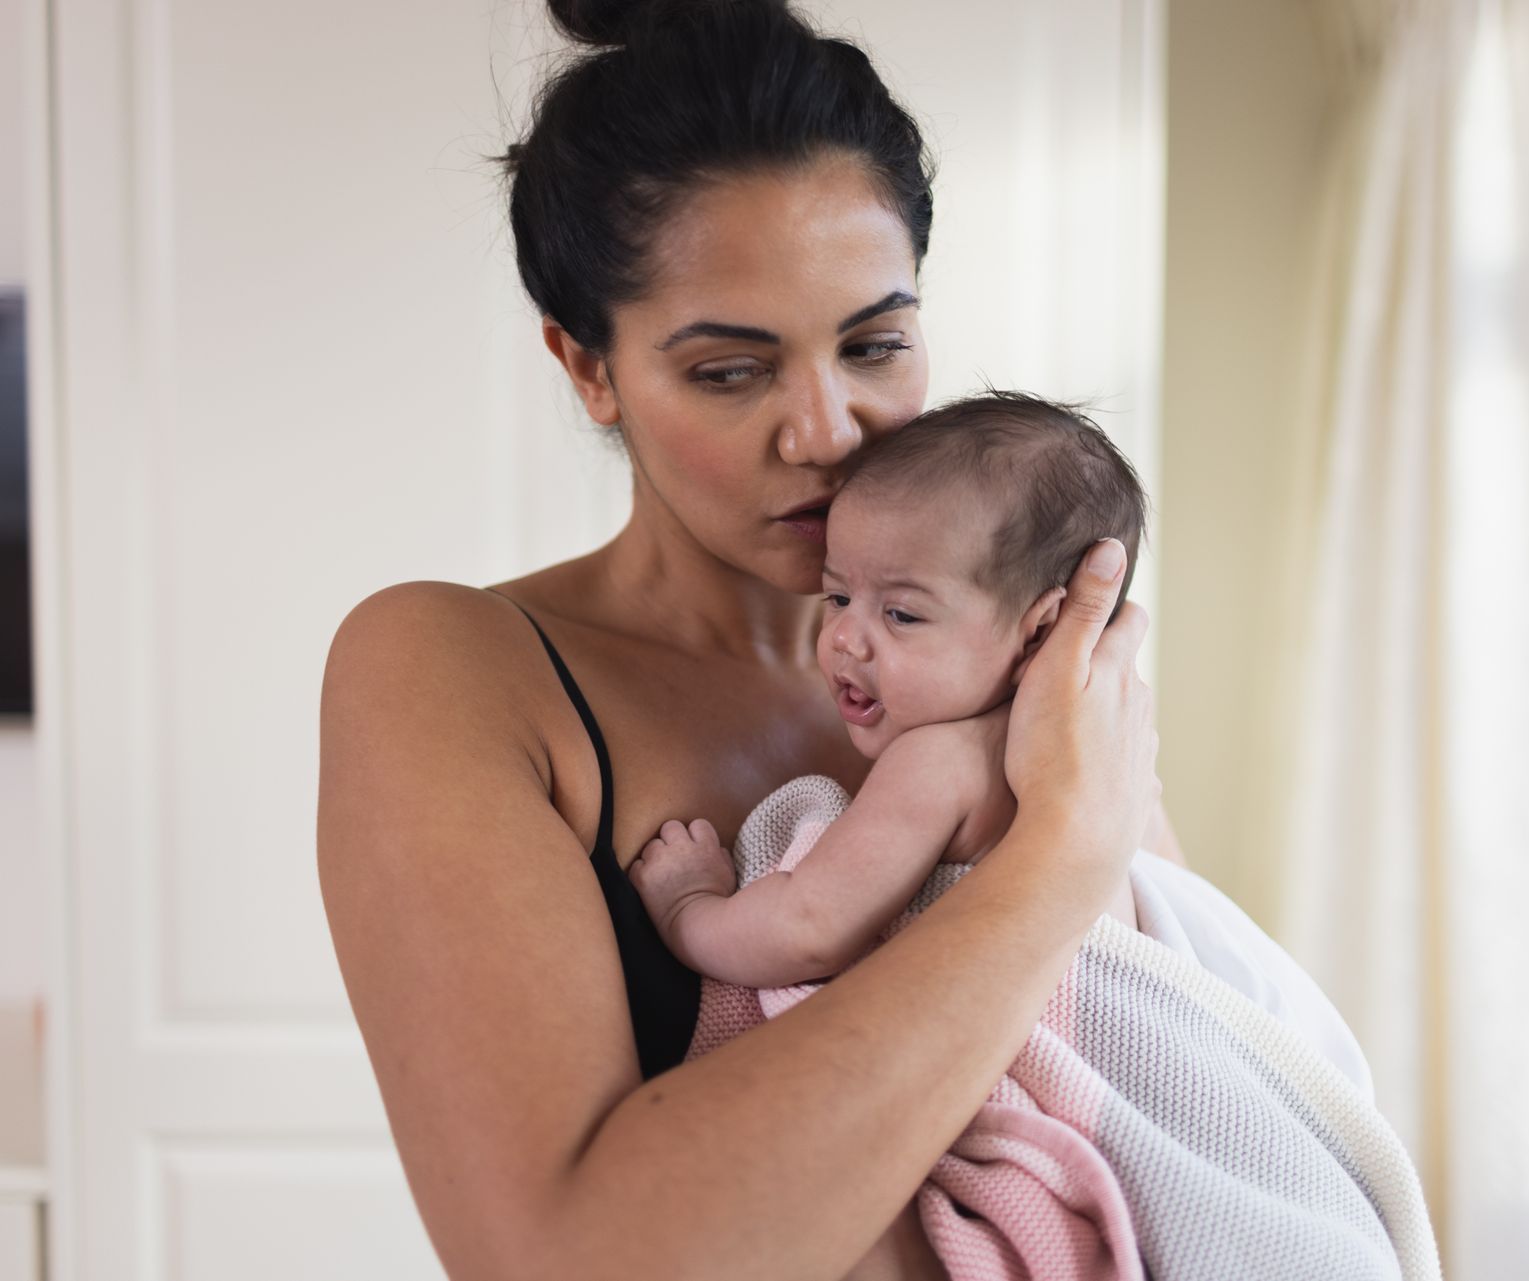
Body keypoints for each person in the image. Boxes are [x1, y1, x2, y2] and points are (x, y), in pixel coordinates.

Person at [317, 2, 1167, 1278]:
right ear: (588, 367)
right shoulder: (455, 670)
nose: (828, 431)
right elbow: (564, 1259)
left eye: (876, 343)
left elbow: (1172, 1057)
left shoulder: (1015, 653)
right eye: (731, 370)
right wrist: (1052, 859)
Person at [631, 392, 1152, 986]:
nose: (846, 639)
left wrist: (688, 908)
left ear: (1039, 632)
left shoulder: (939, 761)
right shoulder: (1108, 747)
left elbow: (805, 931)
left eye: (902, 615)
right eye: (839, 598)